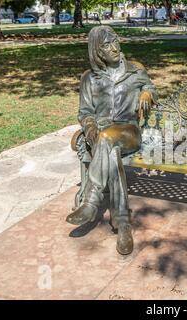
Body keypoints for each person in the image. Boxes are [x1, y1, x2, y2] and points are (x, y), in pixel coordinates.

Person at [66, 26, 158, 255]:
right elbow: (85, 112)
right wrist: (90, 129)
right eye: (107, 45)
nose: (115, 47)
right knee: (110, 151)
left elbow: (151, 88)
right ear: (97, 51)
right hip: (101, 134)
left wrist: (147, 93)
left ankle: (90, 201)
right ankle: (122, 223)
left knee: (108, 141)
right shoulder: (89, 78)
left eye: (115, 41)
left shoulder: (135, 70)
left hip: (129, 131)